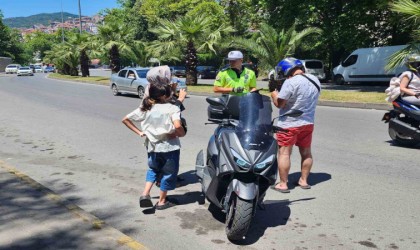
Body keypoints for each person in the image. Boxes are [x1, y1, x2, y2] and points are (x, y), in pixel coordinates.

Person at [122, 82, 186, 210]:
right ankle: (162, 202)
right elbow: (178, 126)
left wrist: (140, 132)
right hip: (169, 147)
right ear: (163, 95)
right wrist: (180, 134)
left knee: (153, 169)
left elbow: (125, 119)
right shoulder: (172, 108)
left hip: (152, 146)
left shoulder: (146, 107)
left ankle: (145, 194)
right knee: (168, 173)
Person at [269, 57, 321, 193]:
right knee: (306, 152)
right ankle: (304, 181)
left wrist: (273, 92)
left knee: (284, 153)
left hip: (289, 124)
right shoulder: (314, 80)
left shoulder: (290, 82)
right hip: (308, 123)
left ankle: (283, 184)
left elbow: (280, 104)